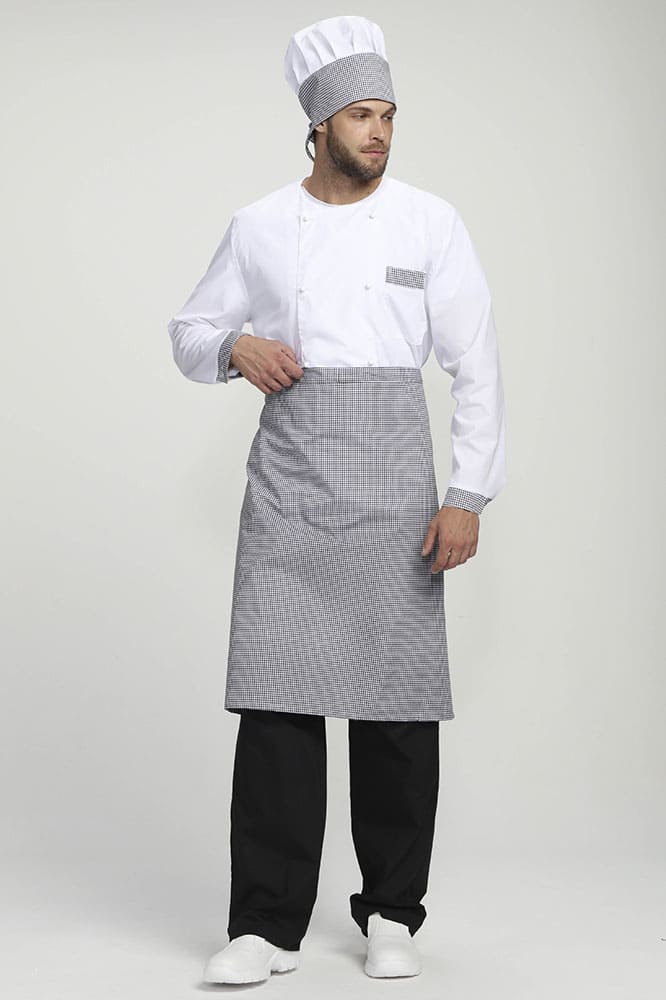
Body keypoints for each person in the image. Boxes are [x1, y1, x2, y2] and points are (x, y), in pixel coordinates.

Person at [167, 14, 506, 986]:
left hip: (397, 492)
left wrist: (469, 491)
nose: (381, 132)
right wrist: (235, 348)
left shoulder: (431, 222)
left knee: (396, 709)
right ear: (320, 124)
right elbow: (188, 332)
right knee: (276, 705)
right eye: (362, 115)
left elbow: (476, 364)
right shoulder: (260, 225)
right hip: (290, 493)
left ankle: (392, 913)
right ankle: (264, 926)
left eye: (389, 114)